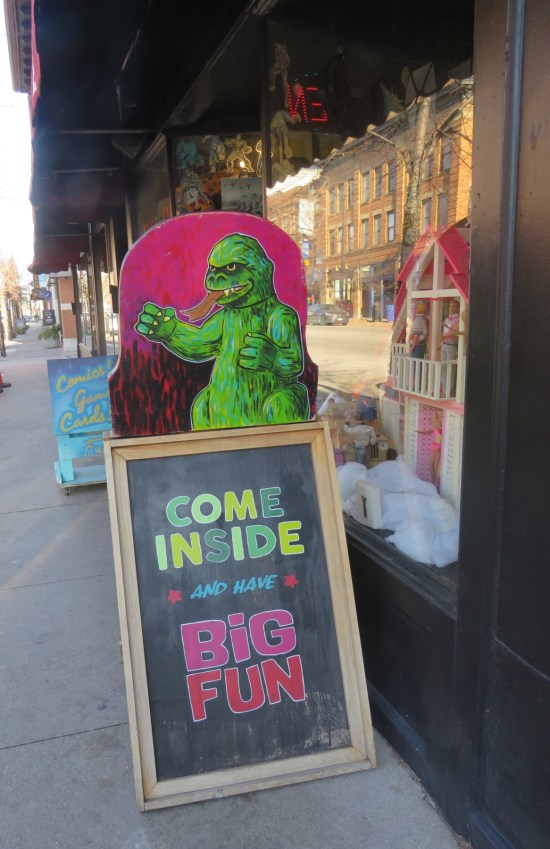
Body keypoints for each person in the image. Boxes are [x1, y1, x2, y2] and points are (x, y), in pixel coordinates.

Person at [439, 299, 460, 395]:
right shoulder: (447, 319)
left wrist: (444, 337)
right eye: (450, 306)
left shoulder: (459, 320)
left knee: (450, 368)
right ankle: (443, 389)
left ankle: (448, 390)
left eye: (453, 306)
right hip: (444, 344)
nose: (451, 308)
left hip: (451, 345)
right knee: (443, 366)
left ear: (457, 307)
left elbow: (455, 333)